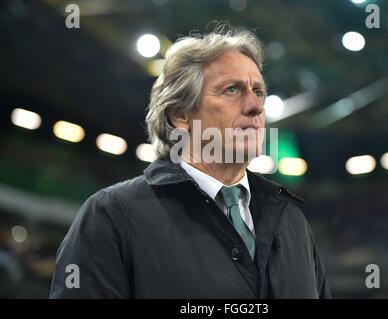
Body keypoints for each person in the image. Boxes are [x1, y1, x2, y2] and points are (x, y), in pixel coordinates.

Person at [49, 25, 331, 299]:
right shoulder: (111, 217)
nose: (256, 106)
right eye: (232, 89)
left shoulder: (293, 222)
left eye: (258, 91)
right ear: (180, 115)